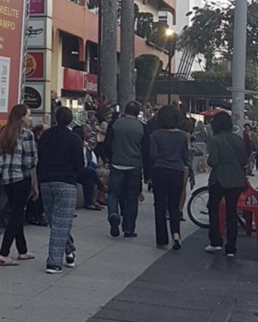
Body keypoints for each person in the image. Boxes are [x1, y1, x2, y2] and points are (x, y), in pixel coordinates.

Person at [0, 103, 38, 267]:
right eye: (28, 115)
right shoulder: (27, 134)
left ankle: (22, 250)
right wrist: (35, 184)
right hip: (21, 178)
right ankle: (4, 253)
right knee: (16, 215)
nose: (30, 118)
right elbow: (31, 162)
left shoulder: (5, 133)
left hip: (7, 179)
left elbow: (0, 160)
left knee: (17, 213)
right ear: (21, 117)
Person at [36, 106, 84, 273]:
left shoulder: (45, 136)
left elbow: (40, 157)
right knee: (61, 223)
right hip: (66, 181)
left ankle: (69, 250)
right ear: (70, 120)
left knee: (55, 221)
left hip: (46, 180)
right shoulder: (74, 139)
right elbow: (79, 164)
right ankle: (54, 262)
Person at [205, 111, 248, 259]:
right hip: (236, 180)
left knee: (213, 208)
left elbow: (213, 162)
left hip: (219, 180)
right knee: (231, 212)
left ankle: (216, 241)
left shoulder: (216, 140)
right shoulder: (238, 139)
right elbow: (244, 160)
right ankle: (231, 248)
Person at [149, 105, 189, 251]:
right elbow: (185, 156)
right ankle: (176, 234)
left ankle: (162, 240)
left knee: (160, 205)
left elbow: (153, 155)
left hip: (160, 170)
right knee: (174, 205)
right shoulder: (183, 135)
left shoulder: (155, 135)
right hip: (177, 171)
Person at [102, 100, 144, 238]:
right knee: (131, 197)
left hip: (117, 163)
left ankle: (113, 213)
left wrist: (108, 159)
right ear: (137, 113)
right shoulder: (141, 127)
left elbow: (108, 143)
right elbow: (145, 149)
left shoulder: (115, 124)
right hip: (134, 165)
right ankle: (129, 229)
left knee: (113, 193)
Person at [80, 124, 104, 210]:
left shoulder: (88, 146)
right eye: (88, 131)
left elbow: (89, 160)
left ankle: (90, 202)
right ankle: (102, 187)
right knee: (91, 171)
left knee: (90, 179)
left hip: (88, 169)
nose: (90, 133)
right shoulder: (78, 145)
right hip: (79, 169)